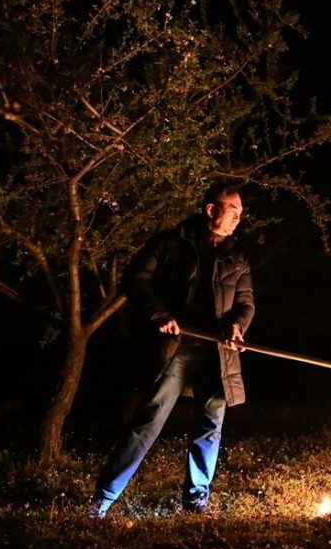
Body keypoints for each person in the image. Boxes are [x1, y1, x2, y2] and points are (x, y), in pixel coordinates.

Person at [87, 186, 254, 518]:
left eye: (240, 212)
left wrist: (236, 327)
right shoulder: (170, 243)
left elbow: (245, 304)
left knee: (210, 426)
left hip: (217, 355)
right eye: (232, 209)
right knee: (148, 421)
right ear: (211, 210)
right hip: (173, 349)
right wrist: (158, 314)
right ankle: (102, 500)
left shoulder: (236, 256)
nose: (238, 217)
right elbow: (135, 279)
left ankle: (196, 503)